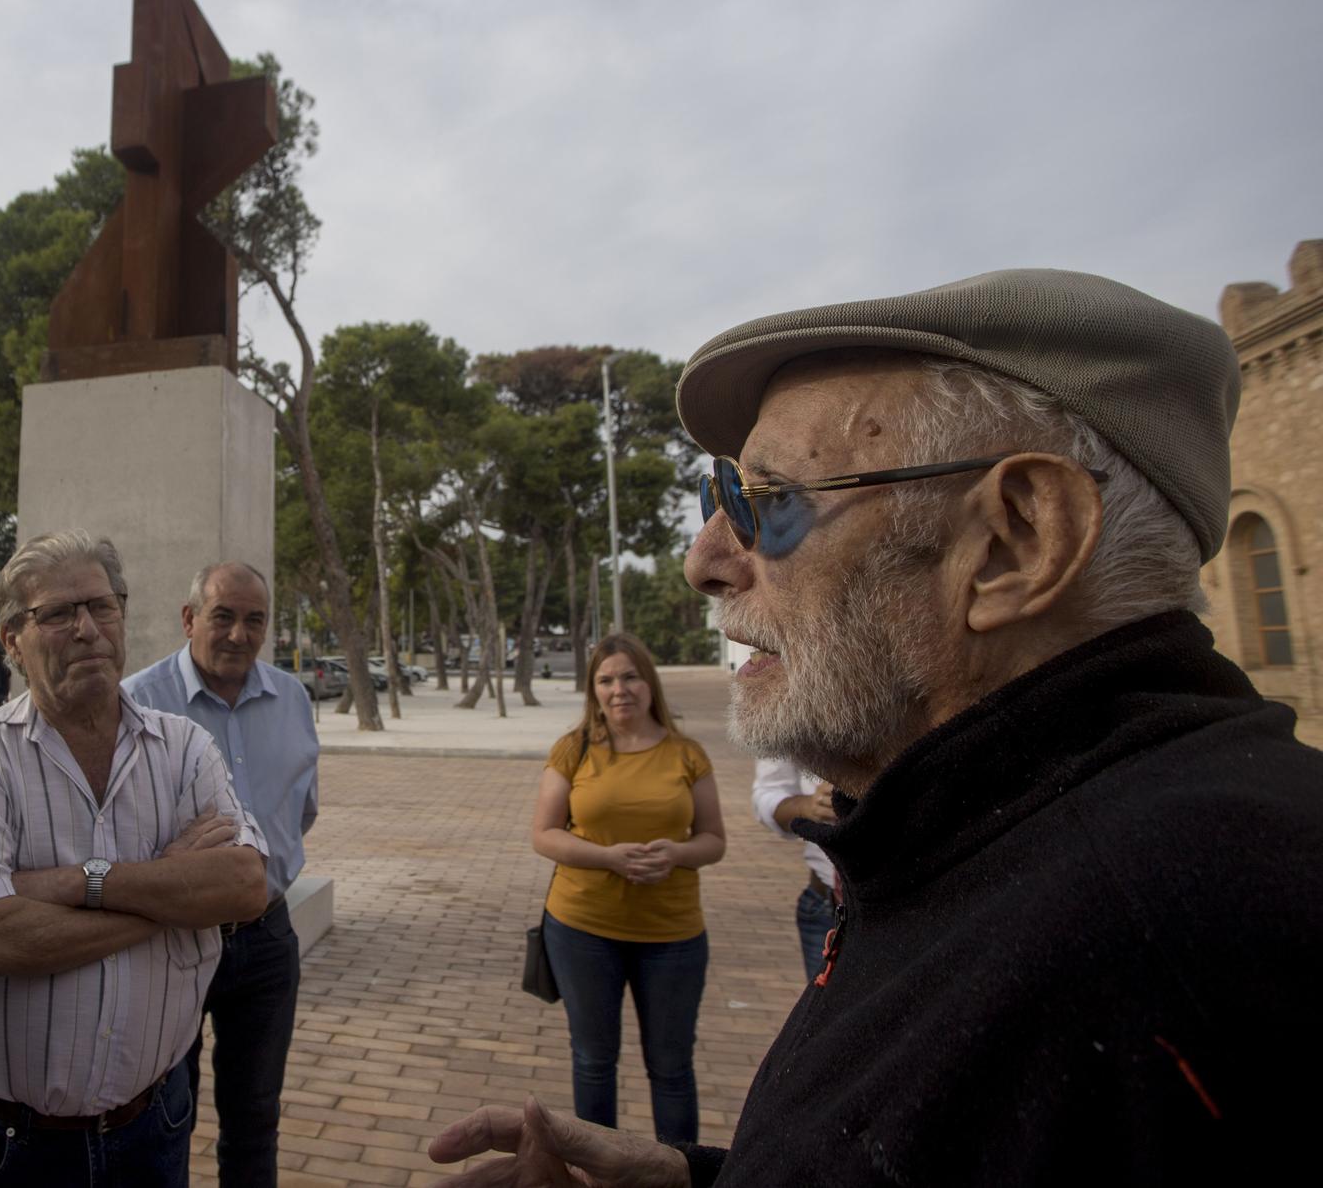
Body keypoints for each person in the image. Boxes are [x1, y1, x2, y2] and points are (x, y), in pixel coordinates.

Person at [431, 268, 1322, 1185]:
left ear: (1016, 540)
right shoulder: (996, 838)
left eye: (771, 500)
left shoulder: (1196, 932)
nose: (706, 560)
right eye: (720, 497)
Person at [0, 530, 269, 1188]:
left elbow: (246, 883)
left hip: (153, 1128)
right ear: (12, 639)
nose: (86, 628)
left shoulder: (184, 748)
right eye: (56, 613)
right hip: (8, 1143)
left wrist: (81, 881)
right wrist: (170, 896)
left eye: (102, 606)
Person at [123, 561, 321, 1187]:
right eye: (223, 616)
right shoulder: (136, 702)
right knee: (163, 1117)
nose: (239, 633)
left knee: (256, 1120)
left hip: (266, 943)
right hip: (173, 943)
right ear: (189, 619)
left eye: (254, 619)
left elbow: (301, 809)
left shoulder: (292, 698)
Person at [531, 631, 724, 1143]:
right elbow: (544, 835)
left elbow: (713, 841)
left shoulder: (687, 754)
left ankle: (677, 1171)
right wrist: (607, 859)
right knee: (594, 1060)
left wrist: (678, 854)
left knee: (672, 1069)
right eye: (606, 679)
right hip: (582, 928)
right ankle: (600, 1174)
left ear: (649, 682)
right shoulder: (573, 750)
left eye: (631, 676)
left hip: (673, 937)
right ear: (593, 690)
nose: (620, 689)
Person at [748, 757, 834, 981]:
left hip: (917, 902)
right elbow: (769, 792)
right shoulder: (789, 722)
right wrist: (807, 807)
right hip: (827, 905)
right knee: (825, 1013)